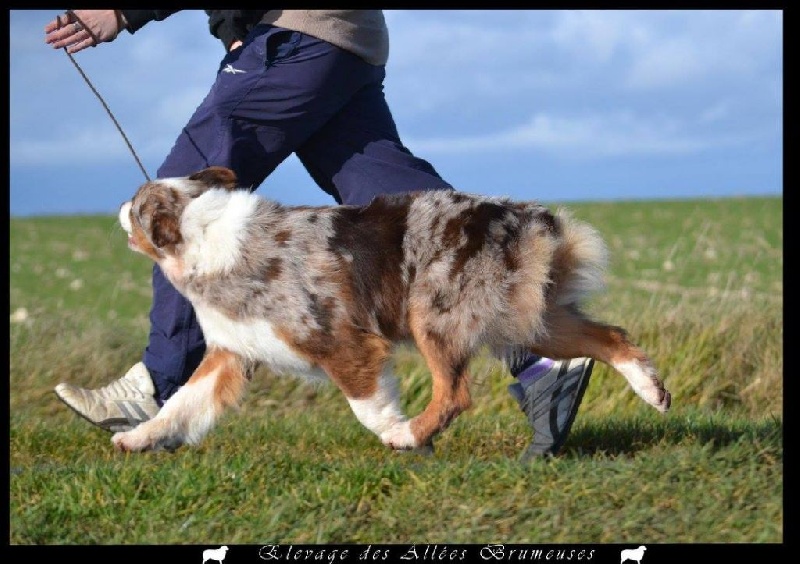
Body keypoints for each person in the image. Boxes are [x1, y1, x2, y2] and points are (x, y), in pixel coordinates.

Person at [45, 9, 595, 459]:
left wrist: (121, 11)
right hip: (336, 36)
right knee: (394, 195)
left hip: (301, 32)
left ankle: (157, 390)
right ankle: (540, 346)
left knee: (178, 208)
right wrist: (236, 31)